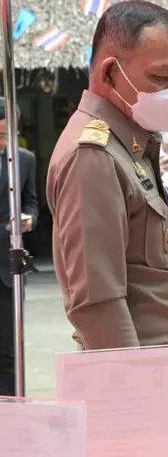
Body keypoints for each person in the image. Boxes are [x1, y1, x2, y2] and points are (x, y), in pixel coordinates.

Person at [46, 0, 168, 455]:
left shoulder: (132, 143)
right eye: (159, 79)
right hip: (146, 379)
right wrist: (141, 414)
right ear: (109, 73)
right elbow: (97, 302)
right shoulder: (94, 155)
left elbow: (147, 258)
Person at [0, 99, 38, 397]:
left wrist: (29, 218)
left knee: (11, 348)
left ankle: (11, 409)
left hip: (9, 269)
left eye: (8, 135)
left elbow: (32, 201)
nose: (4, 142)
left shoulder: (25, 159)